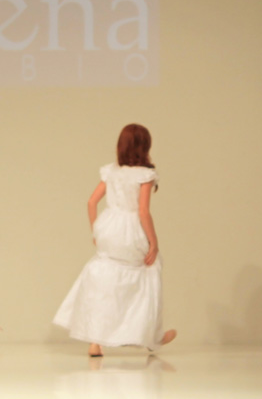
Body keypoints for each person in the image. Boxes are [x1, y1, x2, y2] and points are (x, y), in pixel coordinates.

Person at [53, 124, 175, 357]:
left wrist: (96, 231)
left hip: (109, 228)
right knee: (149, 271)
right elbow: (143, 212)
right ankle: (151, 337)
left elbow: (91, 202)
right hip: (131, 230)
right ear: (145, 146)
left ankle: (95, 342)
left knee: (105, 276)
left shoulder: (111, 171)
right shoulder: (145, 174)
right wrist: (154, 242)